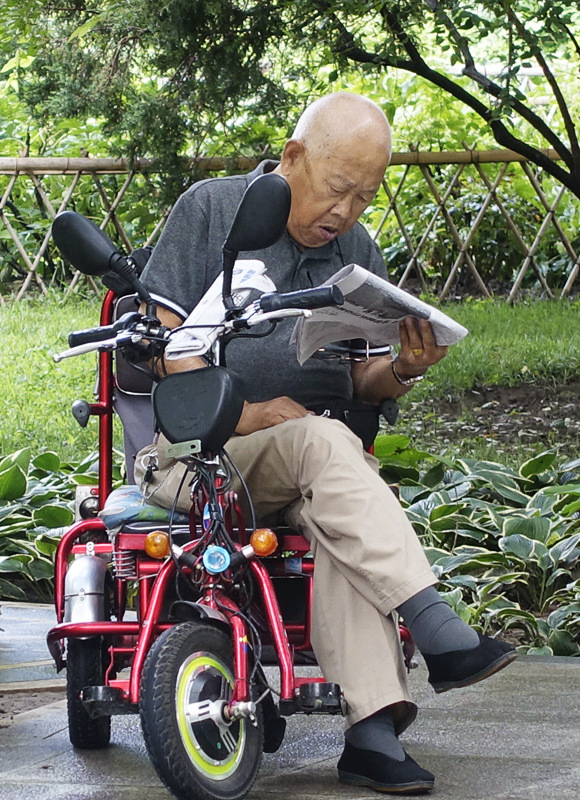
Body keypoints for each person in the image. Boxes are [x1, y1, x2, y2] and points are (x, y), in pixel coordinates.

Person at [134, 92, 516, 794]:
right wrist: (248, 413)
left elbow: (364, 381)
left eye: (364, 198)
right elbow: (160, 350)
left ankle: (373, 733)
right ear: (293, 158)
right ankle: (435, 628)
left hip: (317, 461)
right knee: (325, 445)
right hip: (208, 455)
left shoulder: (355, 252)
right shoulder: (213, 210)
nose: (346, 211)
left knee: (338, 497)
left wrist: (403, 367)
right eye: (338, 189)